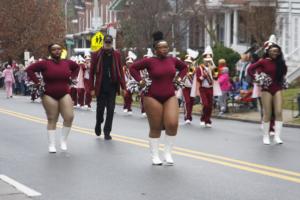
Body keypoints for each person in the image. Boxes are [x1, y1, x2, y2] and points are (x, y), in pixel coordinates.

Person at [130, 31, 187, 165]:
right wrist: (140, 81)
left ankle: (167, 153)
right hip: (152, 96)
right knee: (155, 127)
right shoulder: (150, 61)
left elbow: (184, 67)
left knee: (172, 124)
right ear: (155, 50)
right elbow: (132, 68)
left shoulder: (172, 60)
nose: (165, 49)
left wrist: (179, 78)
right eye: (162, 47)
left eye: (166, 47)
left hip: (169, 95)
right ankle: (155, 156)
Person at [26, 43, 79, 153]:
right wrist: (37, 82)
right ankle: (52, 144)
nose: (57, 51)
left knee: (69, 116)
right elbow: (29, 70)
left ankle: (63, 141)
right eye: (54, 49)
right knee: (52, 118)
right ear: (50, 51)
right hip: (49, 94)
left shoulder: (67, 63)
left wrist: (72, 78)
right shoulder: (45, 63)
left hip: (64, 93)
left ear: (61, 51)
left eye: (59, 49)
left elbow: (76, 67)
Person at [248, 36, 287, 145]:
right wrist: (258, 78)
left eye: (277, 52)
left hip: (277, 88)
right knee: (268, 113)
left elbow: (284, 73)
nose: (275, 53)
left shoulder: (281, 62)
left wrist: (283, 79)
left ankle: (277, 136)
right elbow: (250, 69)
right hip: (266, 89)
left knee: (278, 112)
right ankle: (266, 136)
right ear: (268, 51)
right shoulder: (263, 62)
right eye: (273, 51)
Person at [90, 35, 126, 140]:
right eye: (106, 42)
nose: (108, 44)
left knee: (111, 109)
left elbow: (120, 71)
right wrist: (91, 88)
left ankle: (107, 132)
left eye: (110, 43)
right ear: (103, 43)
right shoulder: (96, 54)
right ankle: (98, 122)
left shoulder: (117, 54)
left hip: (112, 86)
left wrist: (124, 87)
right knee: (100, 109)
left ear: (112, 43)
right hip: (100, 86)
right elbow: (91, 73)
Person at [195, 46, 216, 127]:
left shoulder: (213, 68)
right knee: (205, 104)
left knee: (210, 106)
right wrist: (204, 75)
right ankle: (203, 118)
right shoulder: (199, 68)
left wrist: (214, 71)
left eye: (209, 60)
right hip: (203, 89)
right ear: (204, 60)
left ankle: (207, 120)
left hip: (210, 88)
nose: (208, 61)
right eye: (206, 60)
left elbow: (216, 77)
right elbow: (198, 79)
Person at [182, 51, 197, 124]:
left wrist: (193, 68)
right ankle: (186, 117)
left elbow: (194, 76)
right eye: (187, 62)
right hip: (185, 87)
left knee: (191, 103)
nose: (187, 63)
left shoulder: (193, 68)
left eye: (189, 62)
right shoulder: (183, 69)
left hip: (192, 88)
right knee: (187, 102)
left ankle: (189, 116)